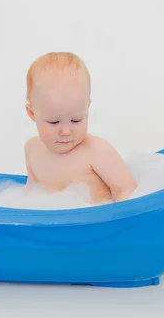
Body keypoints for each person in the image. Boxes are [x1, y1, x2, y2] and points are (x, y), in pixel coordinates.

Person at [24, 52, 138, 205]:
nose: (66, 131)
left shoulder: (97, 151)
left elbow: (127, 190)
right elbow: (30, 193)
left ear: (87, 108)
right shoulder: (32, 149)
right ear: (32, 113)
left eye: (76, 120)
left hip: (97, 226)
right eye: (54, 122)